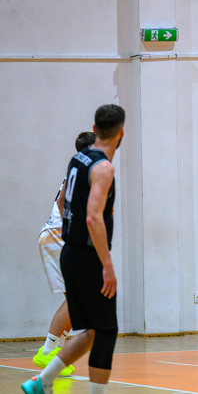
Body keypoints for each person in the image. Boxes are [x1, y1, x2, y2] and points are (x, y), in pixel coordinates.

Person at [22, 104, 125, 394]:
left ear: (94, 129)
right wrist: (107, 264)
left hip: (69, 251)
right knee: (106, 331)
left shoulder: (77, 160)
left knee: (91, 330)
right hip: (85, 253)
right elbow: (93, 217)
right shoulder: (103, 168)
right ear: (121, 133)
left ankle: (42, 381)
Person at [33, 131, 97, 377]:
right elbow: (62, 203)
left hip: (55, 236)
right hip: (58, 236)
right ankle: (49, 350)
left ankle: (52, 352)